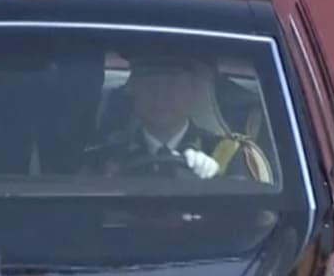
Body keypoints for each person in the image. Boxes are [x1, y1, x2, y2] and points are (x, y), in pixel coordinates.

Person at [81, 54, 274, 182]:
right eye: (151, 83)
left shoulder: (228, 156)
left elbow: (246, 227)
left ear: (193, 91)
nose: (161, 95)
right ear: (133, 88)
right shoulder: (103, 159)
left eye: (173, 83)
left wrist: (216, 182)